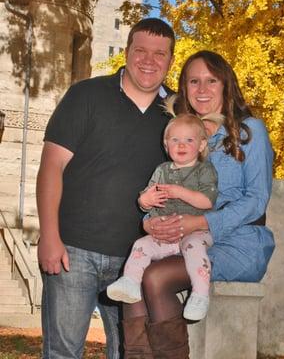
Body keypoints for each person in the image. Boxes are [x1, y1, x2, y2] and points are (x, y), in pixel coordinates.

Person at [36, 18, 175, 359]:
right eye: (140, 50)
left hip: (138, 260)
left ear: (171, 61)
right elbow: (51, 167)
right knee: (63, 353)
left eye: (160, 54)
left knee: (130, 353)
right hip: (73, 252)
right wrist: (49, 236)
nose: (148, 60)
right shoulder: (86, 95)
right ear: (126, 52)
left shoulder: (178, 112)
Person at [122, 50, 276, 359]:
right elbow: (165, 191)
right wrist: (151, 221)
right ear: (184, 86)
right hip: (187, 238)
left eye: (211, 80)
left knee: (156, 276)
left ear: (225, 86)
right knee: (133, 273)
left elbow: (257, 200)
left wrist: (202, 223)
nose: (202, 90)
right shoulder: (181, 133)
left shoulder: (249, 131)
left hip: (240, 242)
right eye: (194, 81)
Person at [107, 113, 221, 321]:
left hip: (196, 232)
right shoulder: (162, 170)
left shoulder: (204, 170)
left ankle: (200, 295)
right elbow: (146, 198)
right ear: (166, 144)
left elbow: (207, 201)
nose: (181, 145)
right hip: (164, 236)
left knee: (194, 249)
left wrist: (180, 192)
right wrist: (145, 200)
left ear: (202, 144)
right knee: (141, 245)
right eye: (175, 140)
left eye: (189, 140)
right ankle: (130, 281)